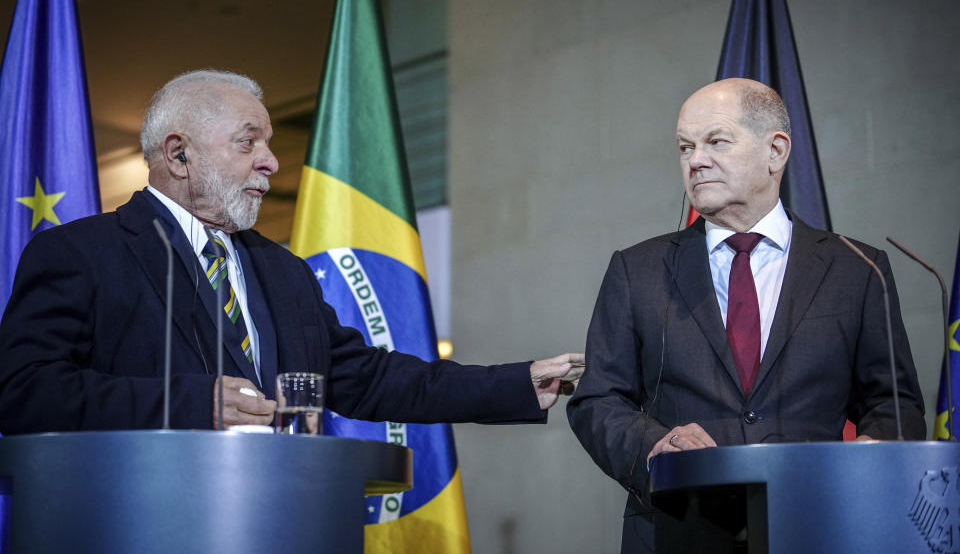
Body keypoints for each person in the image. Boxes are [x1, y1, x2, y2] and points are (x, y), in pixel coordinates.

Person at [0, 69, 583, 433]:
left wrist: (516, 383)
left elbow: (366, 378)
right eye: (248, 142)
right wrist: (188, 404)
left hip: (279, 516)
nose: (272, 162)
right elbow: (23, 392)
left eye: (270, 143)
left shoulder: (283, 270)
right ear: (178, 155)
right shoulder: (80, 253)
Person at [566, 78, 925, 552]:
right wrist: (652, 445)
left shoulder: (857, 269)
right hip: (678, 528)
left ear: (775, 150)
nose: (695, 160)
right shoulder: (637, 270)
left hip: (818, 524)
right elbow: (597, 399)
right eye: (684, 147)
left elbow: (892, 403)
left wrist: (873, 456)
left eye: (716, 141)